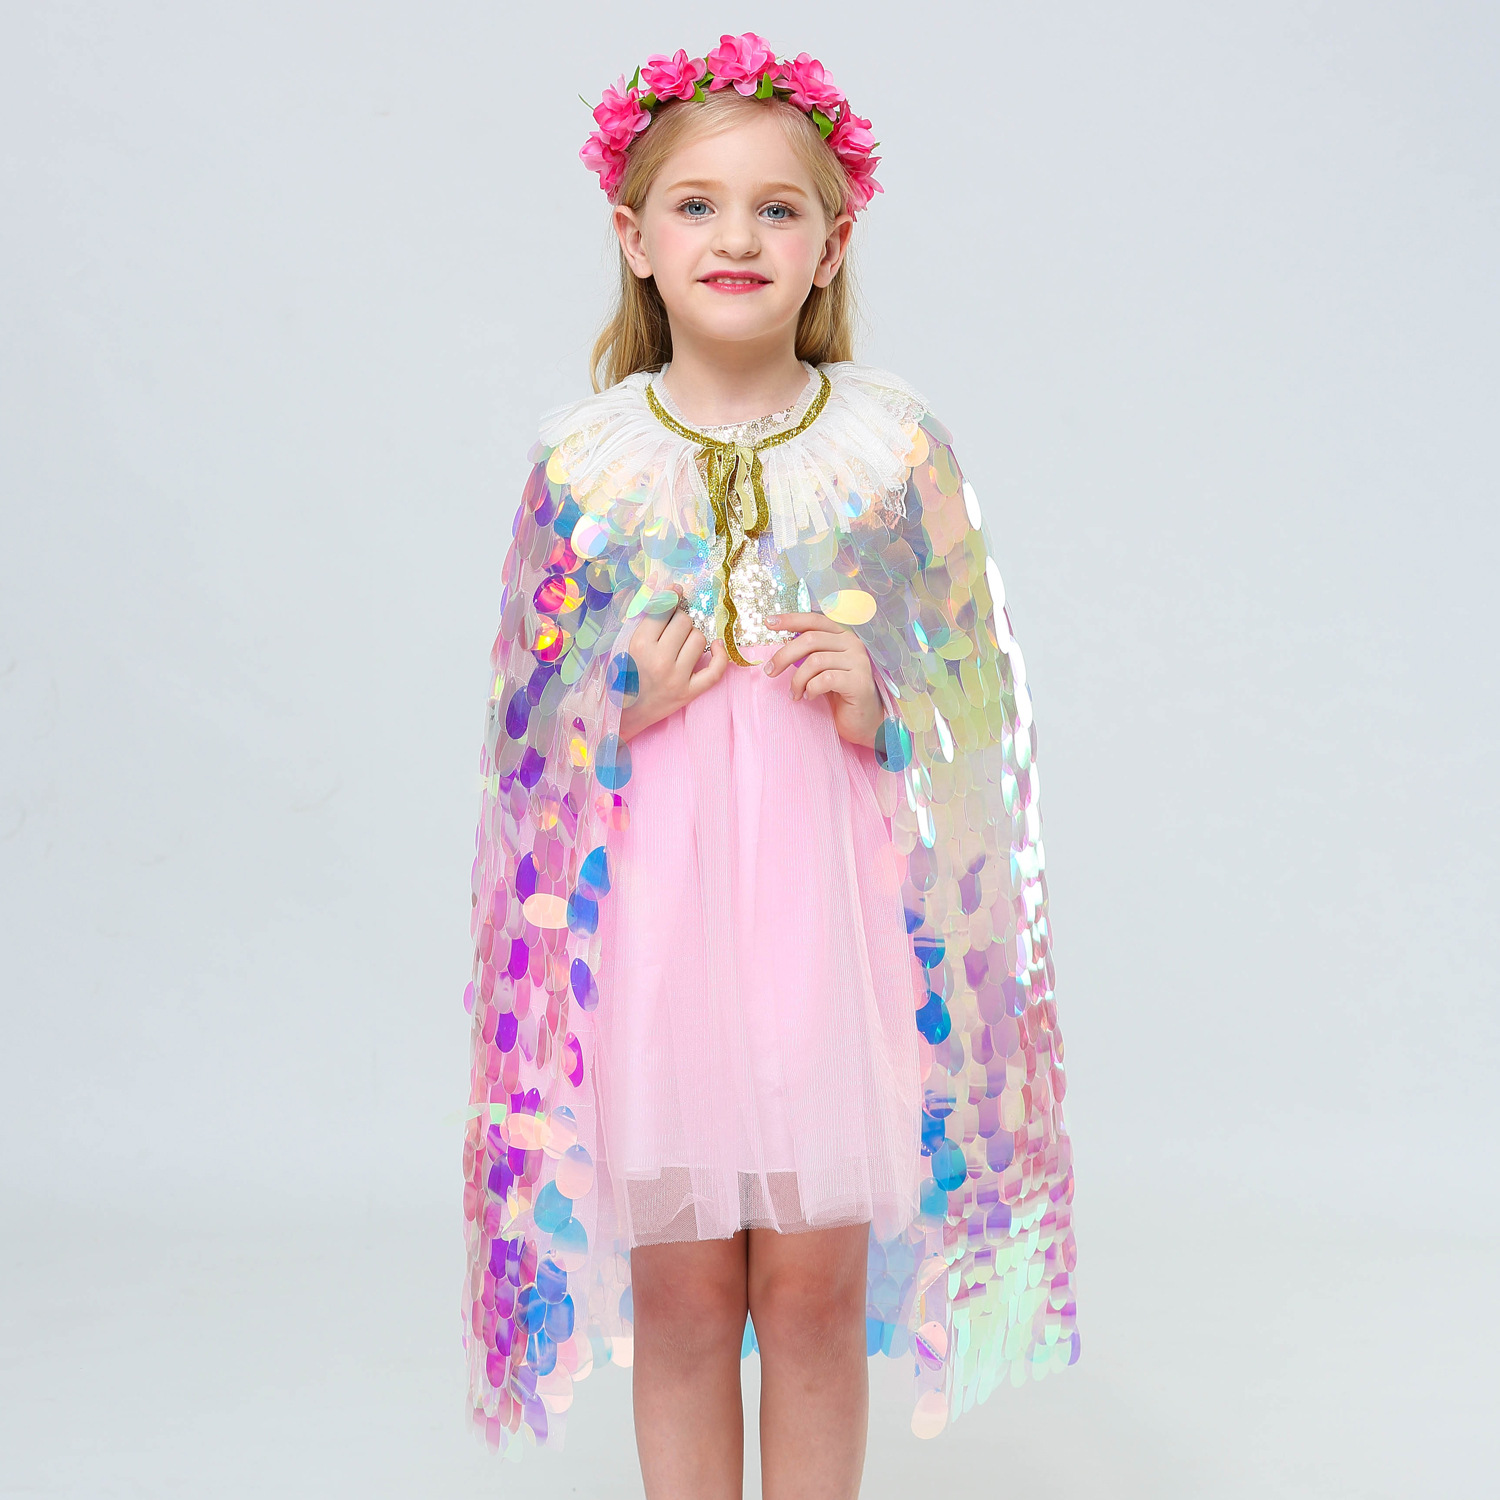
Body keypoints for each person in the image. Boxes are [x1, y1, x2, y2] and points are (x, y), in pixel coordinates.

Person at [459, 34, 1079, 1498]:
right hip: (659, 938)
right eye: (697, 205)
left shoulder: (890, 449)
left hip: (827, 927)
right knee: (682, 1298)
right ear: (635, 238)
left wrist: (886, 704)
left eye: (775, 209)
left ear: (829, 244)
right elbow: (522, 745)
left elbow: (981, 709)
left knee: (810, 1293)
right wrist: (613, 706)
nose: (735, 236)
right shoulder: (584, 466)